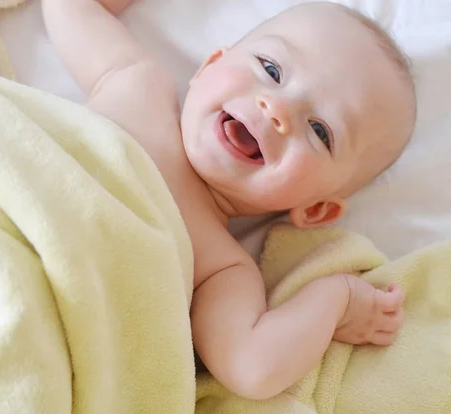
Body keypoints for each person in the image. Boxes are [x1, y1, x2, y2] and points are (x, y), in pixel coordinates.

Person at [42, 0, 417, 399]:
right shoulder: (136, 82)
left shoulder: (223, 269)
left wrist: (336, 299)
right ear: (210, 66)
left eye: (320, 131)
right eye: (271, 69)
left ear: (316, 209)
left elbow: (251, 368)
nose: (277, 109)